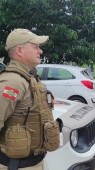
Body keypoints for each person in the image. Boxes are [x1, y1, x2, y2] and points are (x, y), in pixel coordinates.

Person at [0, 29, 61, 170]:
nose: (40, 51)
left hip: (32, 161)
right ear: (20, 51)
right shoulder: (12, 82)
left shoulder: (30, 78)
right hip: (15, 165)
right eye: (35, 47)